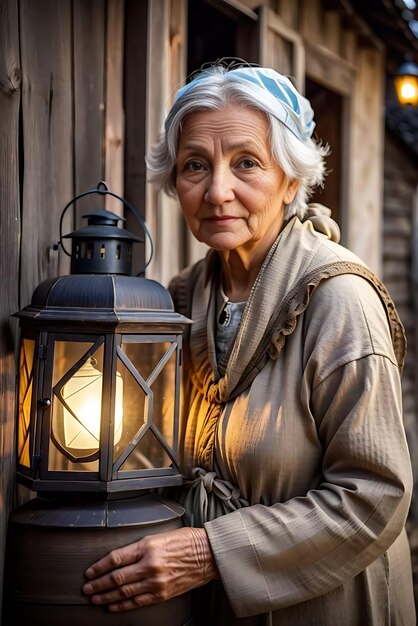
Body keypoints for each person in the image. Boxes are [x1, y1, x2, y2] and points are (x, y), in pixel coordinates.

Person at [82, 61, 416, 625]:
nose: (217, 191)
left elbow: (374, 496)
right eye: (195, 165)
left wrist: (205, 553)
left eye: (247, 163)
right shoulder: (182, 299)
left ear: (291, 179)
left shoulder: (339, 301)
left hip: (326, 605)